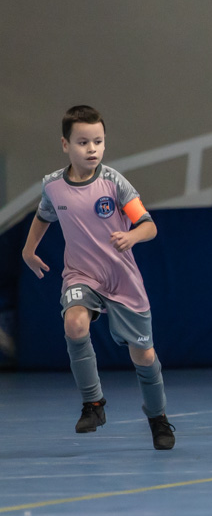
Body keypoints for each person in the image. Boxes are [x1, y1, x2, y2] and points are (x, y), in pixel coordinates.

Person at [21, 105, 175, 450]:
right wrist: (28, 250)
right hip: (81, 275)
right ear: (66, 145)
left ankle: (158, 418)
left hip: (122, 280)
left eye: (98, 141)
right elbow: (43, 216)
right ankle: (93, 403)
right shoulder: (53, 186)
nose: (92, 149)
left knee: (144, 357)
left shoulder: (114, 183)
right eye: (83, 142)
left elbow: (148, 225)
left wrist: (132, 236)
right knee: (74, 324)